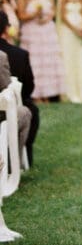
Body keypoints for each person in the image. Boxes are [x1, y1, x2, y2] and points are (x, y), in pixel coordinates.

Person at [17, 0, 66, 103]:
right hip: (31, 32)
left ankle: (50, 93)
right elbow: (21, 15)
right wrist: (34, 15)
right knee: (34, 62)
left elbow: (54, 10)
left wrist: (47, 17)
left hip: (47, 31)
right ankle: (35, 95)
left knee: (49, 61)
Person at [0, 10, 39, 165]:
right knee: (27, 111)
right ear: (6, 29)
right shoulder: (15, 55)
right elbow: (10, 91)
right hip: (5, 110)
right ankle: (12, 163)